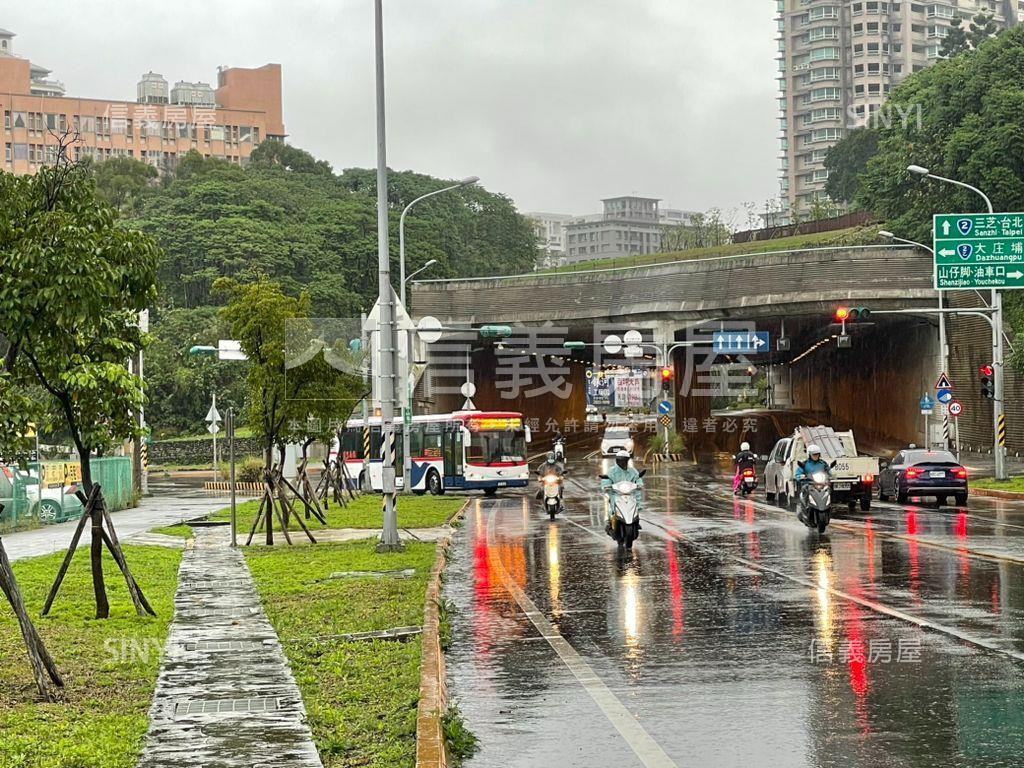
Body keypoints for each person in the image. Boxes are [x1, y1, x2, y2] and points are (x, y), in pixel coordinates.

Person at [601, 450, 643, 535]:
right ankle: (610, 521)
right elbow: (606, 481)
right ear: (617, 460)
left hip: (630, 494)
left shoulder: (632, 471)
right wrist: (607, 487)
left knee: (637, 502)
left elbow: (637, 478)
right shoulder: (611, 471)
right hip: (616, 495)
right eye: (620, 460)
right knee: (612, 506)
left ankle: (636, 520)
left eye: (624, 460)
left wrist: (639, 484)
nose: (622, 462)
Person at [795, 444, 831, 520]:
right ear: (809, 455)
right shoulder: (805, 464)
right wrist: (800, 476)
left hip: (821, 483)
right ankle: (805, 507)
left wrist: (830, 476)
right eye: (814, 454)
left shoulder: (823, 463)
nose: (816, 456)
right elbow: (798, 473)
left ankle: (828, 506)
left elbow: (828, 471)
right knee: (805, 489)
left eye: (817, 454)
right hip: (809, 484)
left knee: (829, 489)